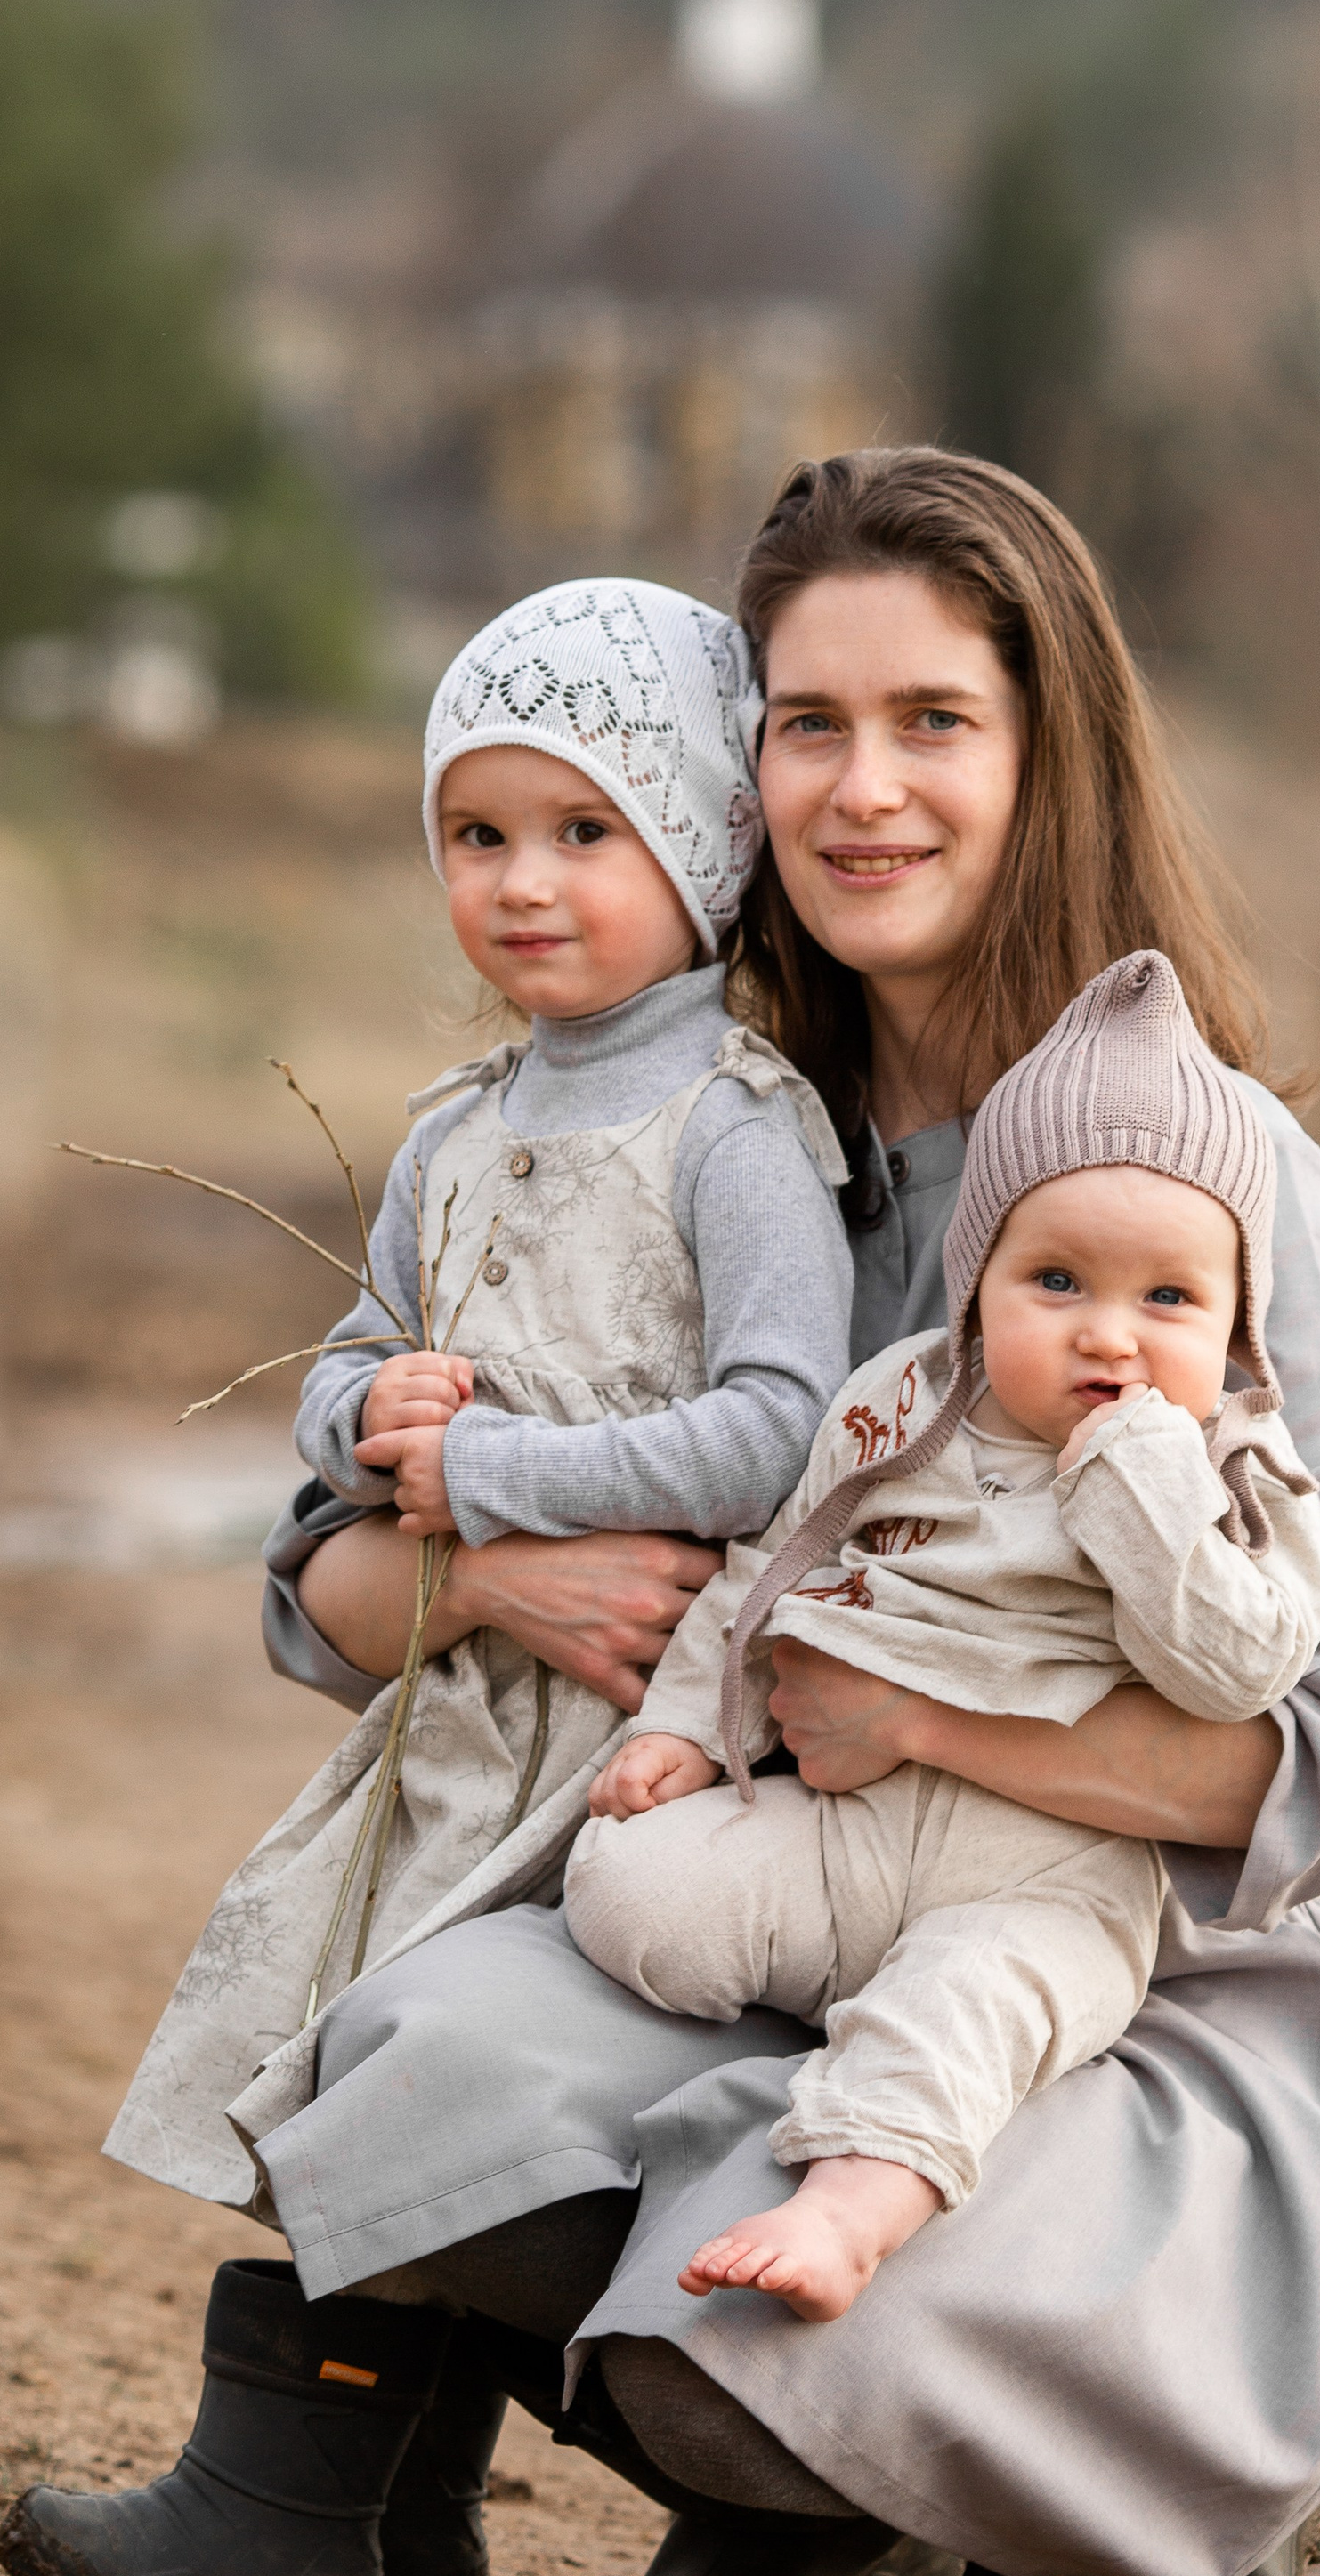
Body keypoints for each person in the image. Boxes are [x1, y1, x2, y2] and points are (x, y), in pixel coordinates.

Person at [0, 449, 1320, 2576]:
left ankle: (1181, 2476)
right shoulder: (698, 1106)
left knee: (876, 2222)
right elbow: (324, 1603)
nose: (864, 786)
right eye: (808, 721)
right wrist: (483, 1554)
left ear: (1044, 741)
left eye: (934, 722)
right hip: (777, 1892)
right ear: (737, 758)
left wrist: (921, 1720)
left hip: (1113, 1938)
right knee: (421, 2055)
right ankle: (780, 2487)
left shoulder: (1196, 1174)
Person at [96, 576, 854, 2221]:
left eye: (586, 831)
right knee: (308, 2037)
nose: (522, 883)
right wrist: (367, 1425)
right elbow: (350, 1365)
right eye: (476, 834)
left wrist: (495, 1466)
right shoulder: (451, 1128)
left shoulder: (736, 1131)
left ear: (704, 842)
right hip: (453, 1722)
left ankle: (337, 2445)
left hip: (633, 1730)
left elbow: (778, 1432)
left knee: (433, 2074)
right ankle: (314, 2450)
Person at [567, 953, 1320, 2322]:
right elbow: (770, 1564)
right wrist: (684, 1729)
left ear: (1236, 1324)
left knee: (971, 2000)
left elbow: (1242, 1667)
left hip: (1048, 1872)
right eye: (1056, 1280)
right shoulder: (898, 1405)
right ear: (976, 1281)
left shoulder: (1235, 1468)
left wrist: (1137, 1479)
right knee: (635, 1886)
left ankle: (849, 2210)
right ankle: (809, 2005)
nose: (1111, 1335)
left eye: (1170, 1301)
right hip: (853, 1832)